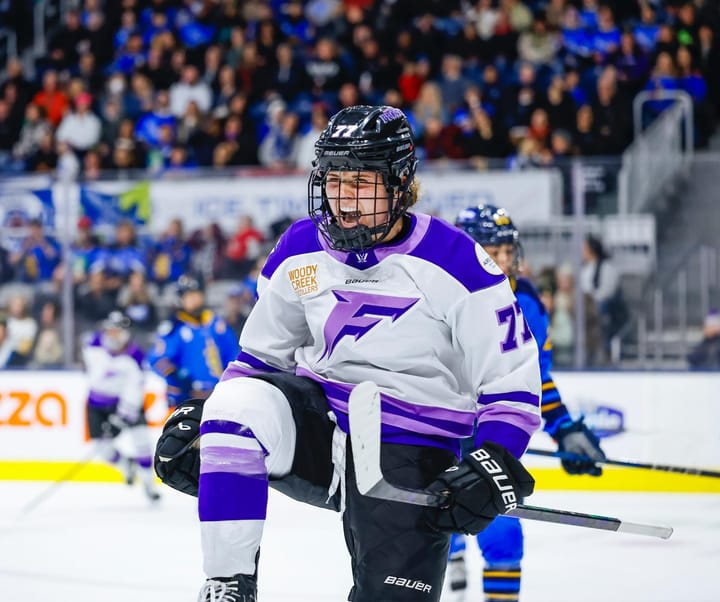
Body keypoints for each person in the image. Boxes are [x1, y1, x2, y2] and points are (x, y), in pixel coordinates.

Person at [153, 105, 540, 602]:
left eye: (360, 183)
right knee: (232, 405)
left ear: (401, 184)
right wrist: (208, 424)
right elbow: (259, 363)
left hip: (412, 450)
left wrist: (496, 459)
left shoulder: (457, 262)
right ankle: (228, 585)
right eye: (334, 181)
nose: (343, 199)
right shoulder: (299, 249)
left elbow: (511, 385)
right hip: (323, 430)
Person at [450, 205, 607, 599]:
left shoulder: (529, 303)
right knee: (434, 524)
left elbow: (535, 379)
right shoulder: (438, 293)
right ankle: (450, 564)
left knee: (502, 531)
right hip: (438, 430)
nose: (503, 261)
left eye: (507, 251)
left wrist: (564, 428)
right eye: (493, 251)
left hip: (488, 435)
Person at [81, 311, 160, 502]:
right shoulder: (94, 345)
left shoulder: (136, 355)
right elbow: (96, 377)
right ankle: (126, 465)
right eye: (109, 331)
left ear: (125, 333)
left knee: (142, 440)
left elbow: (134, 388)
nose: (112, 335)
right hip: (97, 404)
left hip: (125, 403)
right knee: (103, 449)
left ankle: (149, 485)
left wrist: (123, 416)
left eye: (117, 331)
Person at [147, 275, 238, 407]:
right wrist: (177, 375)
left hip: (218, 395)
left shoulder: (217, 324)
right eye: (189, 296)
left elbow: (233, 355)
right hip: (186, 397)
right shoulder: (175, 327)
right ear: (180, 300)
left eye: (197, 294)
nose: (194, 299)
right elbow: (157, 359)